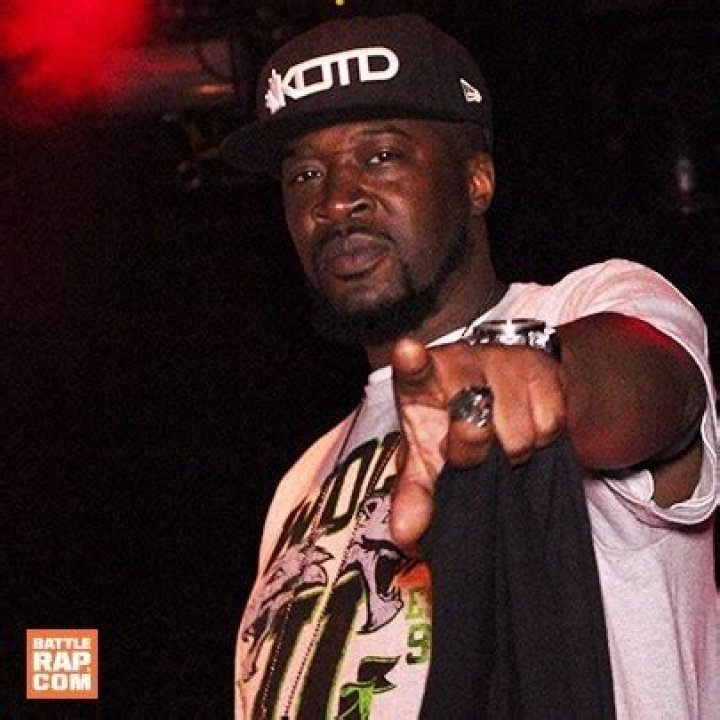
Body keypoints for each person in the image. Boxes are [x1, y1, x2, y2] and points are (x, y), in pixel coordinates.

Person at [221, 13, 718, 719]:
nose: (334, 200)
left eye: (381, 155)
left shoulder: (590, 307)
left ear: (477, 179)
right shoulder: (302, 482)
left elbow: (659, 394)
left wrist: (545, 378)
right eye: (305, 173)